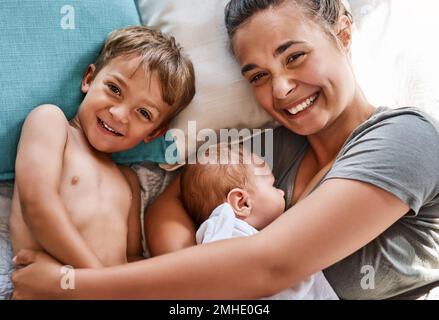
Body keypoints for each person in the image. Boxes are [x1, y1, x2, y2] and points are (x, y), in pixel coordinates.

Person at [11, 0, 439, 300]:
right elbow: (172, 198)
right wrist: (197, 276)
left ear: (343, 33)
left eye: (294, 57)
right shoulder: (275, 148)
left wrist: (76, 286)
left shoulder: (407, 137)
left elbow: (271, 265)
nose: (281, 89)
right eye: (257, 76)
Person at [8, 26, 195, 274]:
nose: (118, 114)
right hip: (50, 288)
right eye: (114, 89)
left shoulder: (128, 182)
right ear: (88, 79)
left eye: (143, 113)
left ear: (153, 133)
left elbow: (131, 257)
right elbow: (37, 206)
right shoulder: (51, 123)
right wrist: (98, 283)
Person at [181, 144, 338, 300]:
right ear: (242, 203)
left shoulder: (243, 233)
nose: (281, 192)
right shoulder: (223, 228)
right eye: (272, 185)